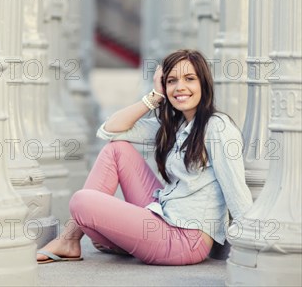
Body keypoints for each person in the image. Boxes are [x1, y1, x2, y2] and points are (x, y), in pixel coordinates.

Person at [37, 49, 253, 265]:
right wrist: (155, 97)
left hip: (185, 240)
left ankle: (70, 239)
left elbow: (235, 188)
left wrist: (251, 247)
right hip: (163, 216)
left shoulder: (218, 127)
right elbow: (110, 130)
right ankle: (78, 239)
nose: (180, 87)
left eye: (190, 79)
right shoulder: (174, 125)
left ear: (204, 84)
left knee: (81, 201)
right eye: (171, 81)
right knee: (117, 150)